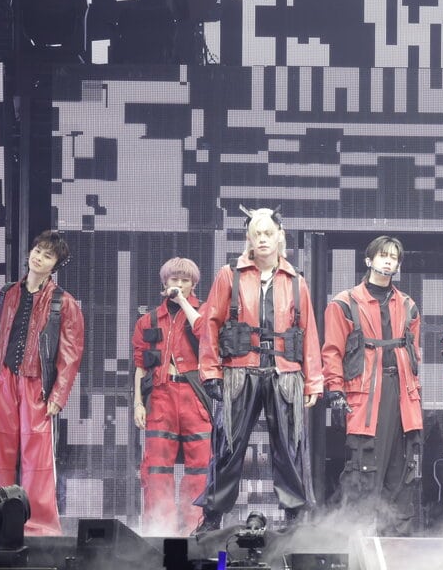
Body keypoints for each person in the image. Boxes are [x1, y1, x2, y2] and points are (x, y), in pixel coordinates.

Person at [193, 207, 323, 533]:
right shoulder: (229, 275)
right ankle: (212, 517)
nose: (262, 239)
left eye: (268, 233)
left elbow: (308, 332)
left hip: (285, 373)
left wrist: (314, 381)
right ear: (249, 238)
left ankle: (295, 518)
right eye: (256, 234)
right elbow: (210, 325)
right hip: (240, 371)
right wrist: (211, 372)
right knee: (228, 446)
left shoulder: (296, 281)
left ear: (280, 236)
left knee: (290, 448)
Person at [0, 230, 84, 536]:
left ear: (55, 265)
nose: (39, 258)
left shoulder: (64, 302)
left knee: (37, 458)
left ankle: (39, 527)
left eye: (47, 255)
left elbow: (70, 353)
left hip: (37, 384)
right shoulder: (6, 293)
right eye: (37, 251)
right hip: (5, 380)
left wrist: (58, 395)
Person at [322, 236, 423, 535]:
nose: (388, 261)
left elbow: (414, 354)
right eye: (382, 255)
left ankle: (397, 541)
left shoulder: (408, 305)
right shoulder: (344, 303)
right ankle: (355, 539)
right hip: (365, 395)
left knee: (402, 470)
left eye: (394, 257)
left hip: (402, 394)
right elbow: (332, 351)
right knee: (363, 468)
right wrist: (335, 388)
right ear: (369, 260)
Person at [131, 258, 212, 536]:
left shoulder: (204, 313)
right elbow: (140, 365)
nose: (179, 285)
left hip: (195, 396)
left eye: (185, 280)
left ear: (193, 284)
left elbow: (208, 335)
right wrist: (138, 403)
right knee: (156, 468)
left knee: (200, 467)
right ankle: (159, 529)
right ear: (164, 283)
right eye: (174, 280)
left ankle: (195, 530)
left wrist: (185, 303)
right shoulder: (148, 321)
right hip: (161, 396)